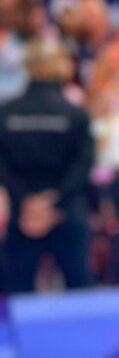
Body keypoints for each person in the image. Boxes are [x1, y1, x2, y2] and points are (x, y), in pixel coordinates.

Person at [0, 37, 94, 292]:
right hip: (66, 210)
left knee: (18, 293)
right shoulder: (76, 114)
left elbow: (2, 167)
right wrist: (56, 200)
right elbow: (83, 165)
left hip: (23, 212)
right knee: (79, 289)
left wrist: (27, 201)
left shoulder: (6, 113)